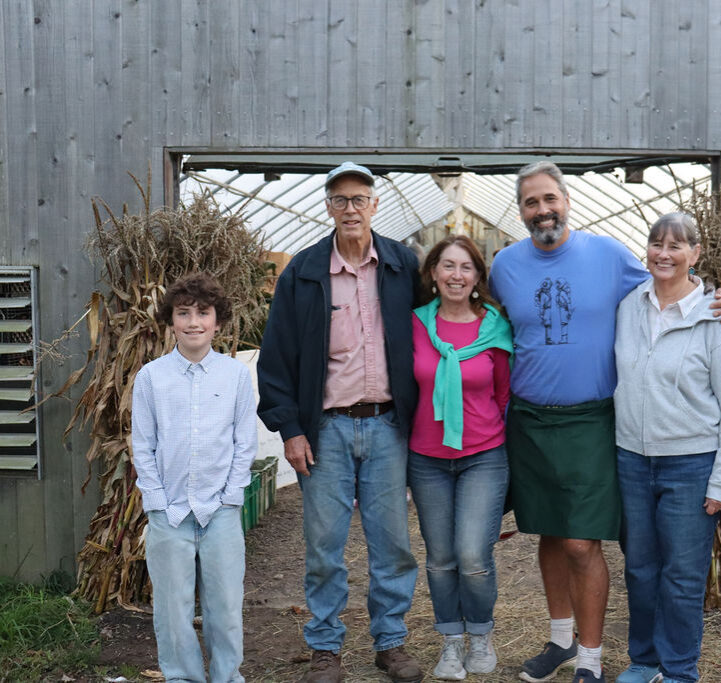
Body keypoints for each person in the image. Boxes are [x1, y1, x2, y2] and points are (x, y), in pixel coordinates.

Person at [488, 161, 721, 683]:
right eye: (532, 203)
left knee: (583, 541)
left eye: (550, 199)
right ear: (520, 210)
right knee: (551, 534)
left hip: (593, 422)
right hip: (533, 421)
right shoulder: (504, 266)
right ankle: (565, 640)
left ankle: (597, 657)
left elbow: (673, 282)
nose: (543, 210)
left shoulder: (607, 256)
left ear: (566, 200)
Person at [257, 161, 424, 683]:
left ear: (375, 205)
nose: (350, 209)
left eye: (359, 199)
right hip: (325, 429)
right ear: (327, 208)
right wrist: (290, 429)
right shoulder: (304, 273)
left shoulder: (403, 266)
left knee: (391, 543)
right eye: (340, 201)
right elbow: (276, 358)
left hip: (388, 426)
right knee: (324, 546)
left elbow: (432, 340)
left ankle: (390, 642)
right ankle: (325, 646)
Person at [613, 213, 721, 683]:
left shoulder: (713, 316)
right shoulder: (630, 305)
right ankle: (644, 660)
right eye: (656, 243)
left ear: (695, 255)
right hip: (632, 458)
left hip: (691, 465)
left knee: (683, 577)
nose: (664, 253)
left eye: (677, 245)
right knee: (640, 570)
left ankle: (678, 670)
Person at [131, 272, 258, 683]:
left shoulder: (235, 375)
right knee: (172, 606)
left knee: (224, 604)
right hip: (169, 512)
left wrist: (232, 495)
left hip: (219, 510)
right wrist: (156, 502)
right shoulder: (152, 377)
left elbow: (244, 441)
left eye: (203, 313)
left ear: (217, 322)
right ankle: (183, 675)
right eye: (183, 313)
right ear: (171, 321)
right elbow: (143, 444)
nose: (193, 322)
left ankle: (226, 675)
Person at [408, 234, 513, 680]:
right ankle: (450, 643)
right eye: (447, 266)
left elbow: (505, 393)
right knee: (440, 558)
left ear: (477, 277)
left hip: (483, 455)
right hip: (427, 457)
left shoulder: (495, 327)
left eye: (465, 267)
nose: (456, 275)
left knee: (473, 555)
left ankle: (481, 637)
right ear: (433, 273)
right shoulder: (414, 324)